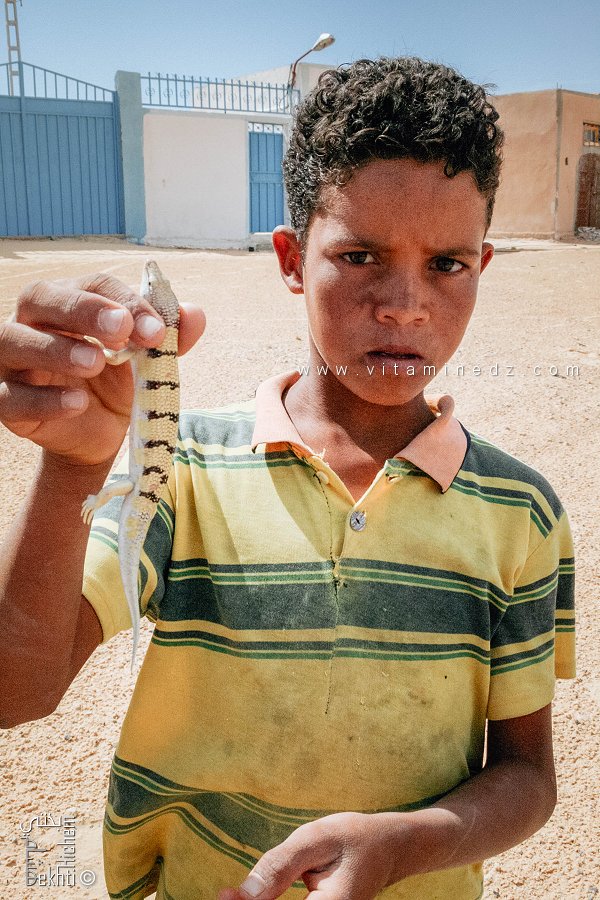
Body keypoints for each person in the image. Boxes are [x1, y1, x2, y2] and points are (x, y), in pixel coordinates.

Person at [0, 56, 575, 900]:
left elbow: (527, 776)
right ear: (291, 259)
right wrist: (73, 466)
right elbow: (18, 691)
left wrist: (403, 846)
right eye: (361, 255)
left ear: (482, 267)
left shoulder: (520, 513)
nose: (404, 304)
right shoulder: (185, 470)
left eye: (446, 264)